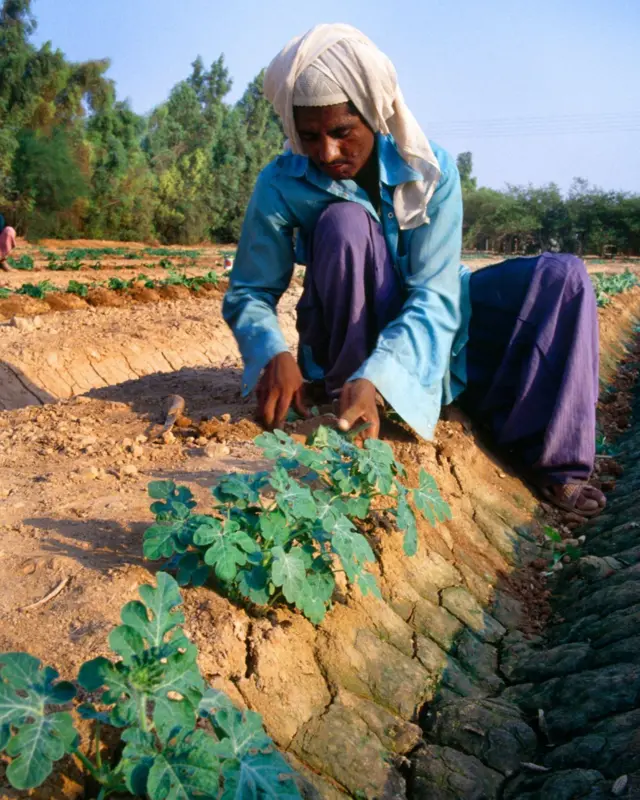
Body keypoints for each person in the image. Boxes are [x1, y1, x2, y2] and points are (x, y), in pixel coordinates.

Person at [223, 24, 605, 519]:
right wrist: (271, 351)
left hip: (437, 325)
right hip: (349, 337)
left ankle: (553, 465)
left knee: (564, 278)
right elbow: (250, 290)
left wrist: (382, 375)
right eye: (311, 136)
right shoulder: (282, 183)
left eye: (342, 132)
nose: (328, 153)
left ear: (375, 115)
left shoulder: (430, 170)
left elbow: (434, 295)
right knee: (342, 224)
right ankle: (350, 399)